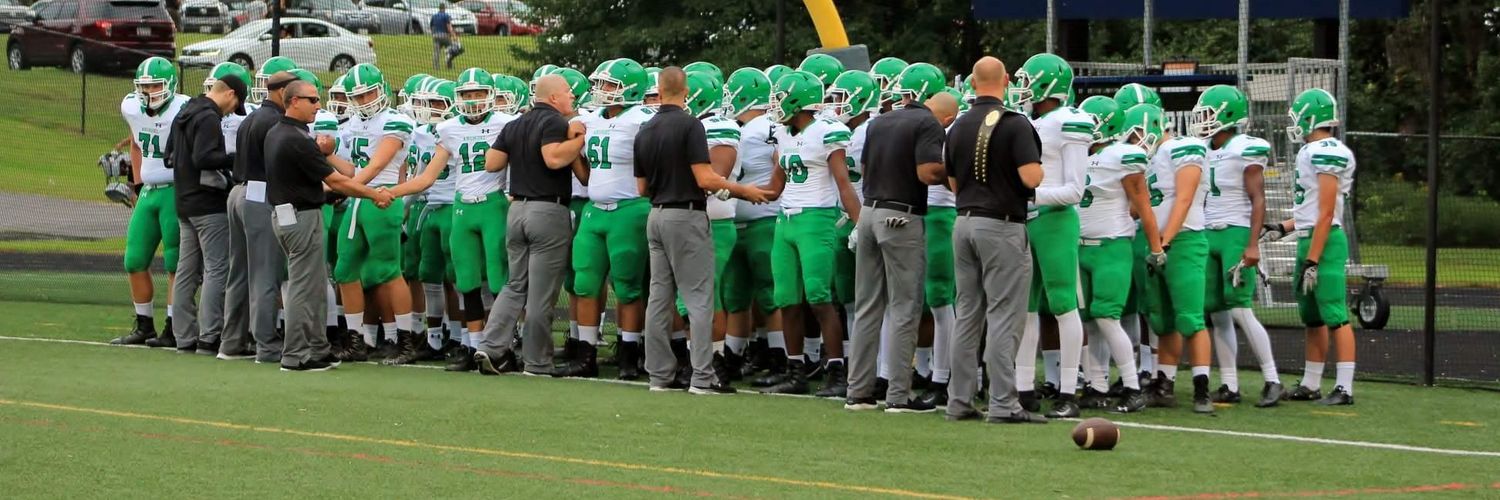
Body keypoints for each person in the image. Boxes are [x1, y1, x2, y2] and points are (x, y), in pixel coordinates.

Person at [636, 67, 772, 394]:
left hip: (655, 214)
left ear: (659, 88)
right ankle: (702, 377)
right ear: (686, 91)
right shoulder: (690, 124)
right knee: (699, 298)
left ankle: (659, 375)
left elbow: (641, 187)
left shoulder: (646, 128)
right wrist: (744, 191)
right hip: (686, 214)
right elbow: (706, 179)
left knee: (659, 298)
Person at [943, 56, 1046, 424]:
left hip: (964, 221)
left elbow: (952, 182)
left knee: (967, 314)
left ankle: (959, 400)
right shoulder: (1015, 124)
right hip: (1001, 224)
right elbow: (1031, 178)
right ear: (1005, 80)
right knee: (1004, 315)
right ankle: (1003, 402)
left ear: (971, 82)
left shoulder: (957, 126)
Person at [391, 70, 515, 372]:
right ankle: (473, 347)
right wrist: (390, 192)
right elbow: (427, 177)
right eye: (467, 95)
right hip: (462, 207)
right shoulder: (448, 129)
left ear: (491, 94)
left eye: (478, 93)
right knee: (466, 281)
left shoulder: (506, 123)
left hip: (494, 205)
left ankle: (503, 346)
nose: (473, 100)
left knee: (499, 280)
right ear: (458, 98)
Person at [266, 80, 394, 372]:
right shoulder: (296, 138)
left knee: (311, 284)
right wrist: (375, 193)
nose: (318, 105)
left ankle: (317, 348)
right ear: (293, 101)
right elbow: (337, 180)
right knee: (302, 286)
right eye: (312, 100)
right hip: (300, 217)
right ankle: (296, 354)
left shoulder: (280, 132)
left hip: (289, 213)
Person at [471, 74, 589, 376]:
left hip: (517, 210)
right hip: (547, 211)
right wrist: (577, 139)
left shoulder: (514, 124)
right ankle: (537, 362)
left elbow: (492, 163)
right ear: (552, 98)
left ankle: (491, 345)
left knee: (514, 285)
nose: (572, 98)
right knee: (541, 293)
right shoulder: (555, 123)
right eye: (567, 93)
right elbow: (553, 159)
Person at [845, 62, 947, 412]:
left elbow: (866, 169)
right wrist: (955, 169)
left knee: (867, 306)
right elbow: (926, 171)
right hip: (901, 215)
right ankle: (898, 395)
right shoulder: (926, 122)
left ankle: (858, 391)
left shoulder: (879, 121)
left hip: (870, 211)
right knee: (904, 307)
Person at [759, 70, 860, 395]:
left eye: (781, 96)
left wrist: (860, 224)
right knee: (786, 299)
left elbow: (844, 184)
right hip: (785, 221)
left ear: (799, 100)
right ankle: (796, 370)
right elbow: (775, 187)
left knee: (819, 298)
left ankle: (836, 372)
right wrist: (731, 189)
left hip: (816, 219)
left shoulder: (826, 132)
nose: (775, 103)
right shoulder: (785, 133)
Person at [1188, 85, 1286, 407]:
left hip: (1235, 231)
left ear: (1228, 115)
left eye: (1209, 113)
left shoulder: (1245, 147)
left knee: (1241, 309)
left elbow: (1258, 199)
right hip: (1208, 231)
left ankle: (1272, 379)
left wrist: (1252, 244)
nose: (1202, 119)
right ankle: (1229, 384)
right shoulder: (1203, 149)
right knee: (1216, 313)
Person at [1009, 53, 1094, 418]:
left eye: (1029, 79)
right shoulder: (1031, 121)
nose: (1022, 86)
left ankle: (1069, 391)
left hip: (1055, 219)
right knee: (1025, 307)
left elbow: (1075, 190)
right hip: (1027, 219)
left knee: (1062, 304)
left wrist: (1029, 195)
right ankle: (1024, 387)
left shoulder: (1068, 121)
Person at [1260, 88, 1358, 406]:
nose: (1294, 122)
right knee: (1312, 317)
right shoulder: (1311, 150)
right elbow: (1311, 209)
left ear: (1310, 116)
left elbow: (1327, 213)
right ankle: (1311, 382)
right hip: (1310, 238)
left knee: (1335, 314)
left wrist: (1314, 258)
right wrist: (1282, 227)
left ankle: (1344, 387)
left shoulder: (1326, 151)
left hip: (1325, 242)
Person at [563, 58, 654, 379]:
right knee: (585, 281)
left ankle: (630, 353)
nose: (601, 91)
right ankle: (585, 355)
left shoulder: (643, 118)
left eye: (610, 85)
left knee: (628, 286)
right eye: (600, 84)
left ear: (631, 88)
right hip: (593, 209)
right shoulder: (591, 119)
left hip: (629, 210)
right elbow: (588, 176)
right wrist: (573, 150)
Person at [1074, 96, 1159, 413]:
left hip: (1111, 247)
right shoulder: (1081, 156)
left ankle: (1133, 387)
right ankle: (1097, 386)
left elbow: (1143, 206)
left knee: (1108, 318)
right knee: (1091, 322)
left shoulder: (1123, 156)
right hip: (1081, 246)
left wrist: (1156, 247)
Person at [1128, 102, 1215, 414]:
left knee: (1190, 318)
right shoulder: (1147, 160)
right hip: (1154, 243)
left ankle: (1202, 388)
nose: (1134, 140)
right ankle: (1165, 383)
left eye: (1136, 132)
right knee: (1162, 319)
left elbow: (1185, 196)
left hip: (1183, 241)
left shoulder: (1183, 147)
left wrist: (1165, 240)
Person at [333, 63, 419, 363]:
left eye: (369, 93)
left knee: (388, 271)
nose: (364, 100)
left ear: (381, 88)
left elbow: (377, 165)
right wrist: (330, 165)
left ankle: (406, 341)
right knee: (344, 269)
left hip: (382, 198)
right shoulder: (353, 123)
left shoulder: (395, 121)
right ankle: (357, 339)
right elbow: (355, 167)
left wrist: (342, 187)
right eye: (358, 96)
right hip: (359, 199)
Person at [165, 76, 246, 358]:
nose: (231, 111)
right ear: (230, 94)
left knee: (187, 270)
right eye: (235, 105)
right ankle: (209, 336)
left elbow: (169, 156)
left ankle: (183, 336)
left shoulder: (185, 111)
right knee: (216, 268)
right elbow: (204, 158)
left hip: (184, 201)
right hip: (208, 204)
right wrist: (235, 158)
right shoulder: (209, 117)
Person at [227, 60, 299, 364]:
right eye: (294, 93)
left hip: (238, 194)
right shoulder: (275, 122)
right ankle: (266, 344)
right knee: (266, 274)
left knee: (240, 272)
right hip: (261, 196)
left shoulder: (252, 118)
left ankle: (230, 342)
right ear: (281, 92)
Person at [113, 57, 188, 349]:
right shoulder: (131, 107)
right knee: (134, 259)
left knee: (174, 262)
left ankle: (173, 326)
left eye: (155, 85)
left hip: (174, 189)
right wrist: (138, 182)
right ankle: (144, 325)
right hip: (149, 191)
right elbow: (135, 142)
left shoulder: (184, 109)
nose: (149, 92)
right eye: (144, 86)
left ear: (170, 84)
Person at [814, 68, 878, 399]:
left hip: (864, 216)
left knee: (866, 299)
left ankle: (877, 368)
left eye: (841, 98)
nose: (835, 104)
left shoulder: (870, 130)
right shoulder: (839, 130)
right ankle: (857, 365)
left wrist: (861, 221)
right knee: (849, 300)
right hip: (842, 219)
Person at [719, 67, 783, 381]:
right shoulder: (737, 127)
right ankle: (732, 357)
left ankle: (781, 358)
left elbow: (782, 163)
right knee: (735, 296)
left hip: (764, 221)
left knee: (771, 295)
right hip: (740, 223)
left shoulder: (765, 128)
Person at [431, 3, 460, 70]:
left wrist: (433, 34)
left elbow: (432, 26)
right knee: (449, 50)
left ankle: (436, 67)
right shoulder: (446, 16)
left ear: (439, 8)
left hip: (435, 36)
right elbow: (449, 27)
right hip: (444, 36)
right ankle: (449, 66)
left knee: (436, 52)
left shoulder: (434, 16)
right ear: (444, 8)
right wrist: (454, 36)